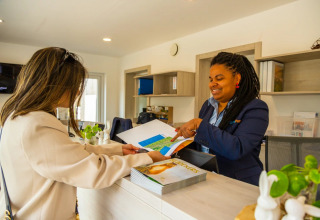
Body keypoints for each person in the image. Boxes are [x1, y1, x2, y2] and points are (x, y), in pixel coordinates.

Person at [0, 47, 169, 219]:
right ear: (55, 86)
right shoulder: (37, 125)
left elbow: (68, 153)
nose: (78, 92)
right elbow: (95, 171)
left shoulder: (18, 118)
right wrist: (147, 158)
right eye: (75, 86)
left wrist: (117, 150)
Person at [171, 52, 268, 186]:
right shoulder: (208, 105)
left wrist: (199, 125)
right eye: (211, 79)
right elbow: (204, 143)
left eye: (219, 78)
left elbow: (237, 148)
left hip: (239, 183)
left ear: (237, 78)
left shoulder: (255, 108)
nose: (212, 84)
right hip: (207, 178)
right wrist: (182, 141)